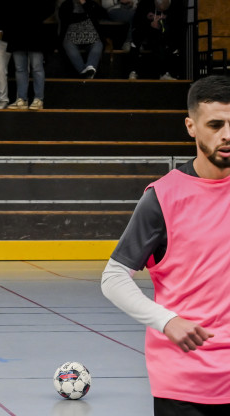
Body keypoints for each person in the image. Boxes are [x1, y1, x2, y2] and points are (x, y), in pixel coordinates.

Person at [101, 75, 230, 416]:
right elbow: (113, 278)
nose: (227, 134)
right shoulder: (162, 198)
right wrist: (167, 320)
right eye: (215, 125)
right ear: (191, 127)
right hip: (184, 384)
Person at [6, 0, 55, 111]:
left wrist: (36, 17)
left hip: (35, 30)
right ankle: (22, 99)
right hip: (17, 30)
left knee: (37, 67)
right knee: (20, 68)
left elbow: (49, 7)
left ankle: (38, 99)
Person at [128, 0, 184, 80]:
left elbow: (176, 25)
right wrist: (150, 24)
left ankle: (166, 73)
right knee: (136, 41)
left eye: (163, 10)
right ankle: (133, 71)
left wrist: (162, 27)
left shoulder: (176, 5)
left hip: (164, 33)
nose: (161, 11)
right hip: (145, 30)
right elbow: (137, 23)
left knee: (168, 43)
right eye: (159, 9)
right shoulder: (144, 4)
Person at [58, 0, 104, 79]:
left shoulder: (91, 3)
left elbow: (100, 14)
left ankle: (90, 66)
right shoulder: (66, 4)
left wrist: (85, 4)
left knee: (98, 44)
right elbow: (66, 18)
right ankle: (85, 71)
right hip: (71, 37)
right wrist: (86, 15)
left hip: (91, 36)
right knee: (68, 46)